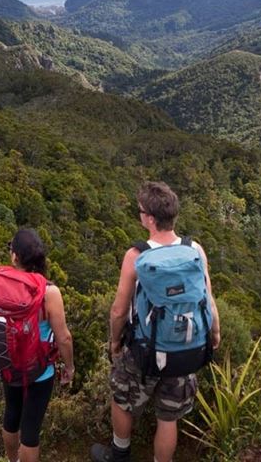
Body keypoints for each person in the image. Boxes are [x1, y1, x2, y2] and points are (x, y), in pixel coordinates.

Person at [92, 182, 221, 462]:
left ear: (150, 218)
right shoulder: (195, 250)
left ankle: (120, 453)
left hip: (145, 350)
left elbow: (118, 310)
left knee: (123, 401)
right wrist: (214, 335)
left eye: (140, 211)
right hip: (186, 349)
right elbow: (208, 300)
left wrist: (115, 343)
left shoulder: (137, 255)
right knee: (168, 417)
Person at [0, 229, 75, 462]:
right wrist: (69, 368)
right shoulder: (49, 292)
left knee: (11, 417)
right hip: (40, 371)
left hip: (9, 363)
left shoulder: (2, 285)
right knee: (30, 430)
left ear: (15, 257)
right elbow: (64, 338)